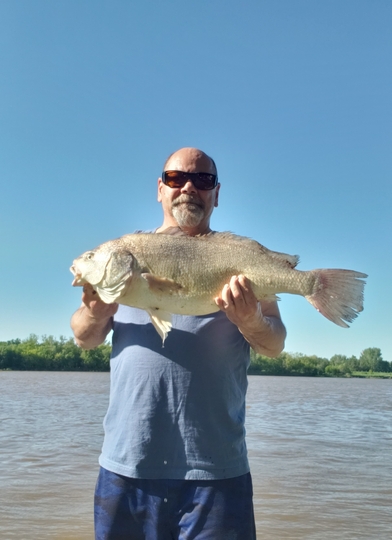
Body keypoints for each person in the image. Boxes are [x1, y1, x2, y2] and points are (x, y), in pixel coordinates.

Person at [71, 147, 286, 540]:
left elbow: (275, 344)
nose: (188, 187)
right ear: (160, 189)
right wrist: (97, 310)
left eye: (202, 180)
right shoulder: (126, 255)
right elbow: (84, 338)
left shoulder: (239, 257)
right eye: (176, 179)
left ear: (216, 194)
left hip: (216, 470)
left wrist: (251, 319)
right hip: (128, 465)